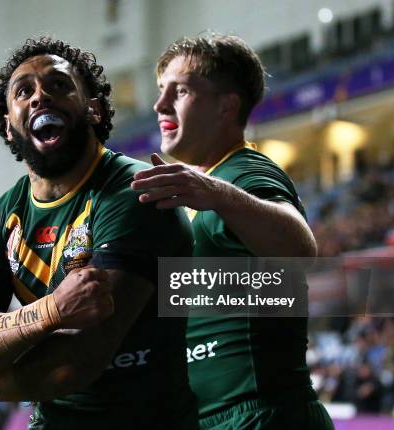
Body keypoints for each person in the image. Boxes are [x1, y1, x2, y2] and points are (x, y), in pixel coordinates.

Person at [0, 37, 198, 429]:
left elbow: (74, 365)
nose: (40, 96)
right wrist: (50, 311)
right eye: (24, 91)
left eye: (58, 84)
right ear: (9, 127)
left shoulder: (137, 191)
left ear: (92, 109)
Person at [131, 34, 334, 429]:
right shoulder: (205, 189)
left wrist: (215, 191)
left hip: (260, 415)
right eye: (161, 91)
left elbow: (300, 250)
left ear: (227, 105)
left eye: (182, 90)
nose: (159, 105)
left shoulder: (244, 171)